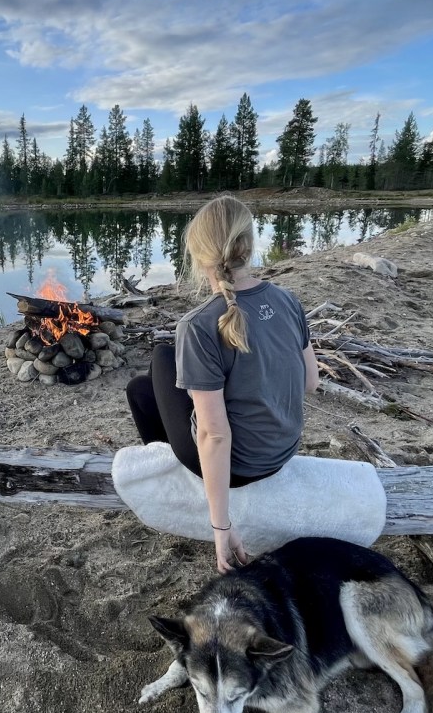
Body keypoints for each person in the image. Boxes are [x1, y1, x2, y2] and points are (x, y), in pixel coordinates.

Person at [126, 195, 319, 573]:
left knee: (160, 359)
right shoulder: (288, 299)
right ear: (249, 244)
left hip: (240, 467)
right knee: (141, 390)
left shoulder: (199, 324)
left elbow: (216, 436)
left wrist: (221, 526)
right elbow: (311, 381)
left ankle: (181, 479)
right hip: (283, 450)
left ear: (198, 258)